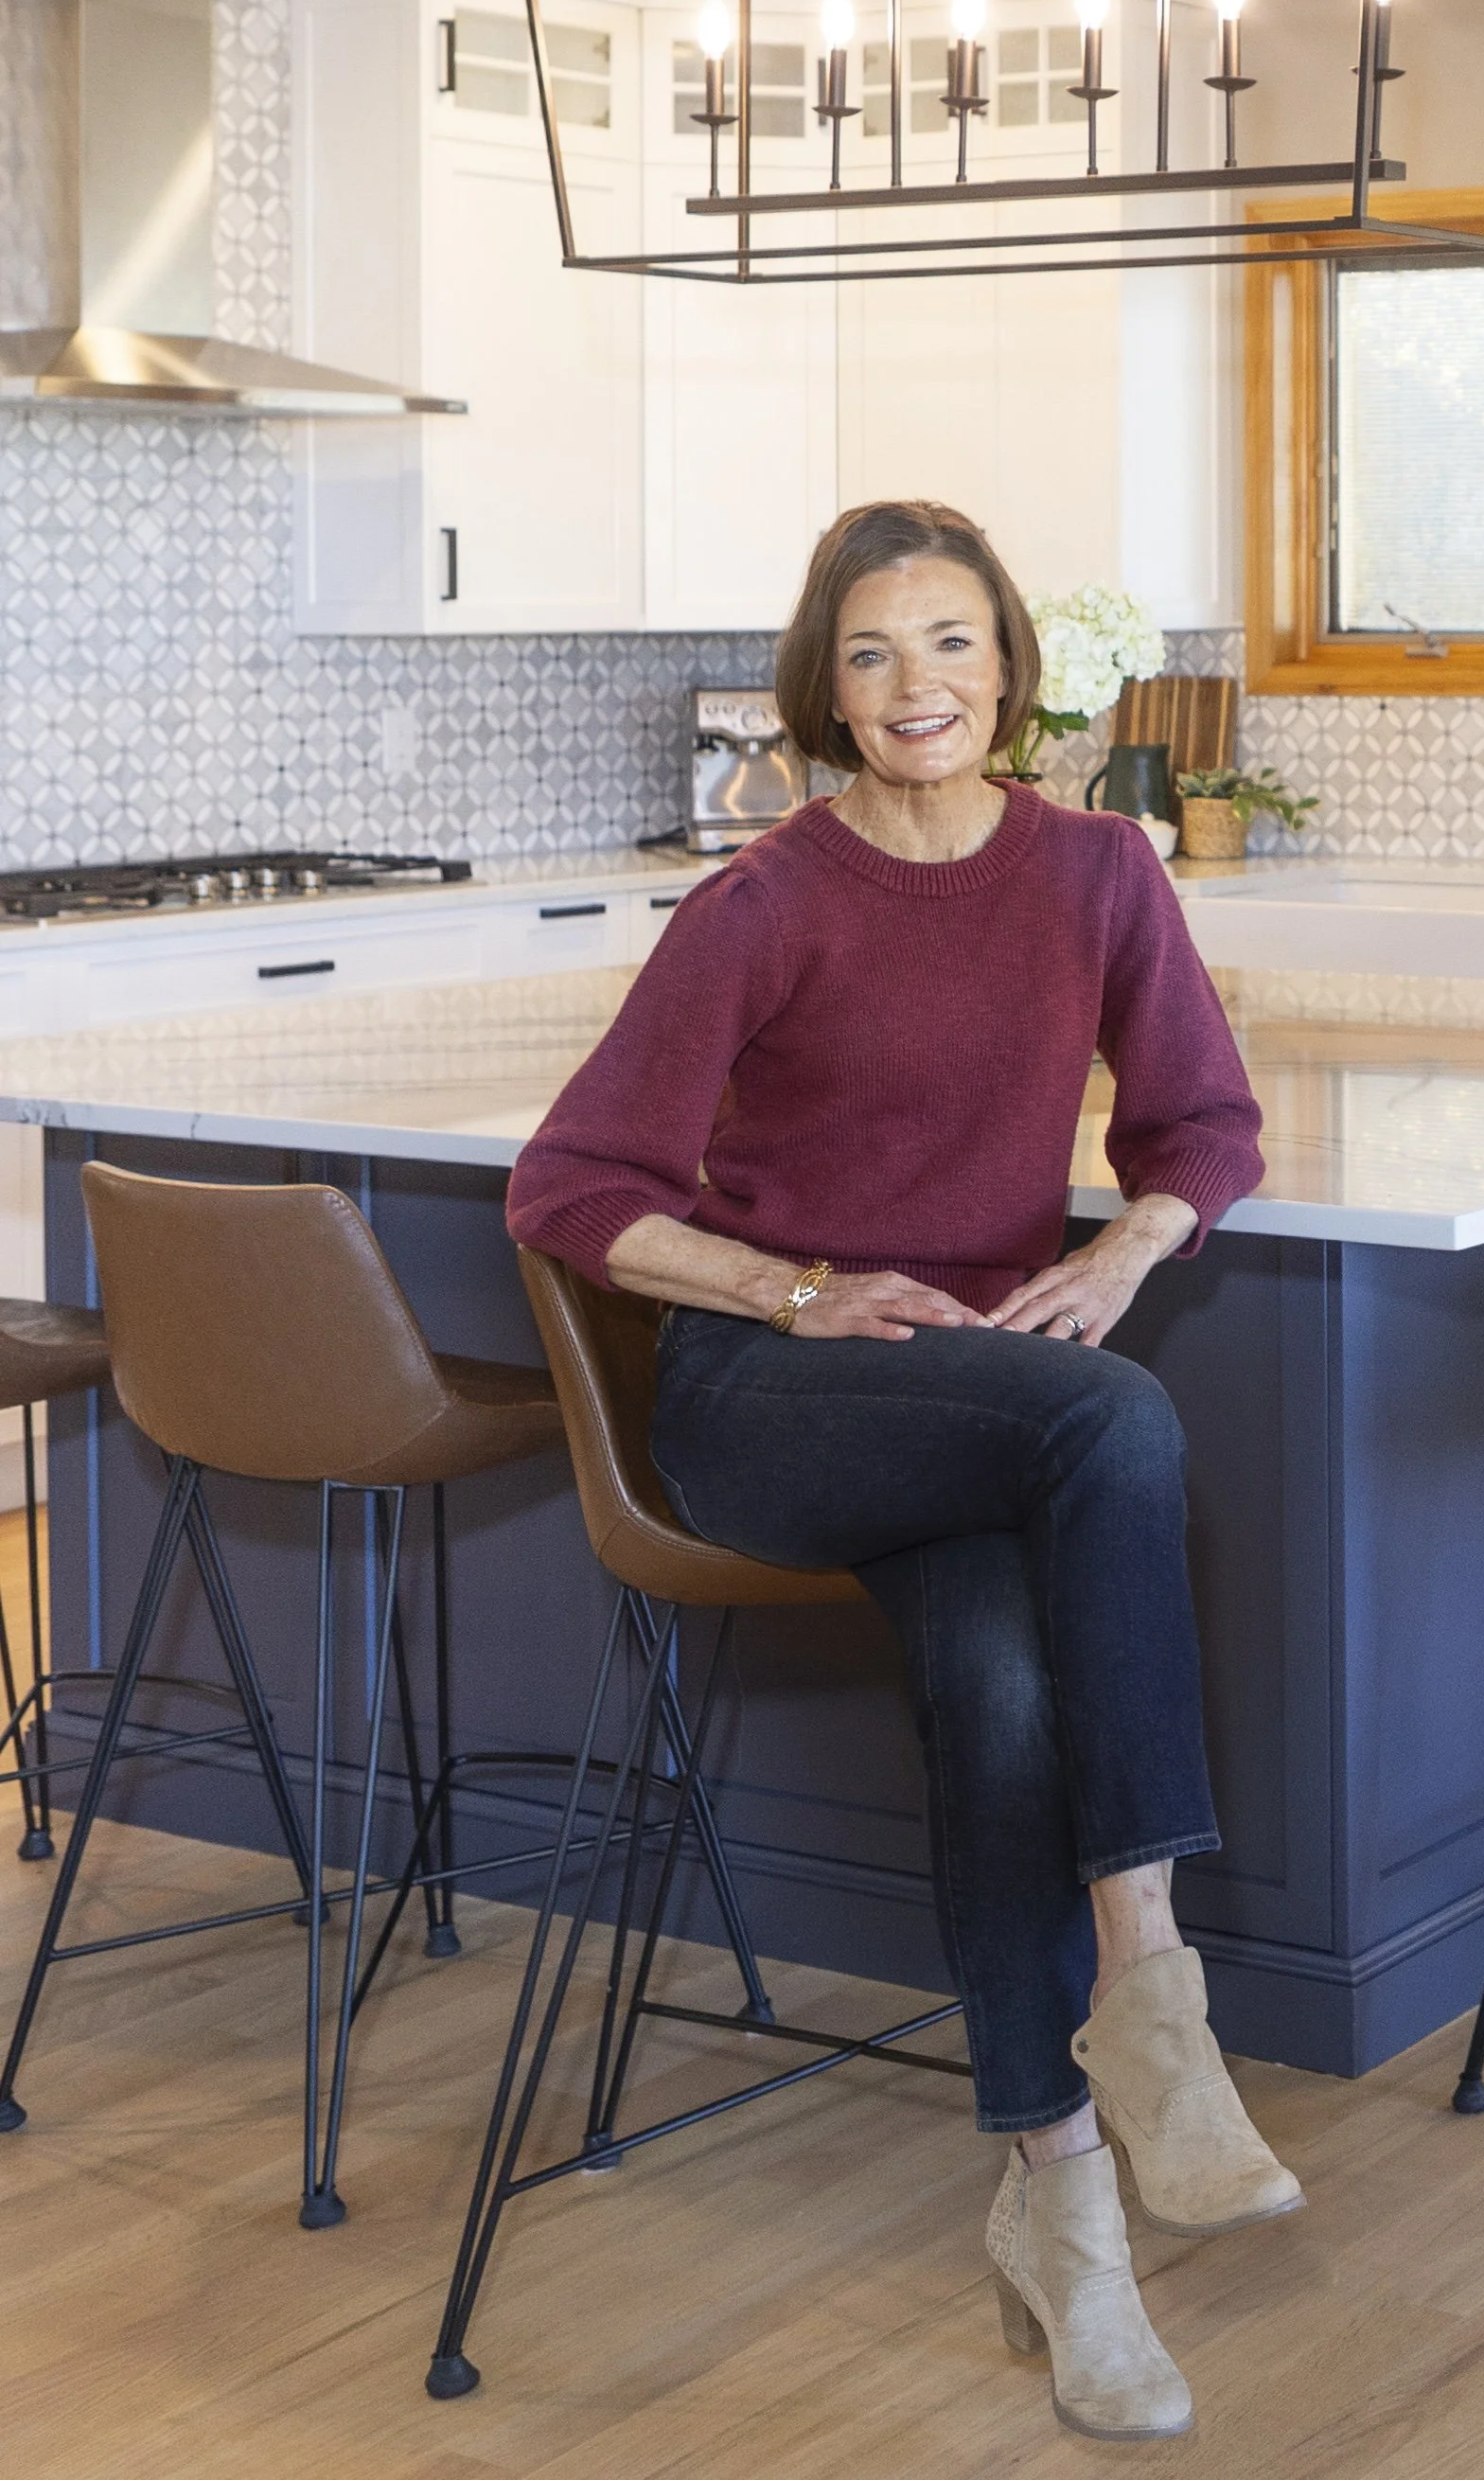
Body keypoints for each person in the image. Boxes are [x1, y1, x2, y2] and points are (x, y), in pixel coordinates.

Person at [507, 499, 1301, 2444]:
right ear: (823, 687)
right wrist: (786, 1287)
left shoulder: (1100, 871)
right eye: (870, 654)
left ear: (1010, 669)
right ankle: (1154, 1995)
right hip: (766, 1404)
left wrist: (1121, 1245)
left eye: (946, 644)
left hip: (971, 1389)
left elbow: (1200, 1119)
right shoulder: (762, 903)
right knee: (1109, 1420)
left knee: (1004, 1682)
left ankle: (1065, 2212)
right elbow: (570, 1186)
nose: (912, 687)